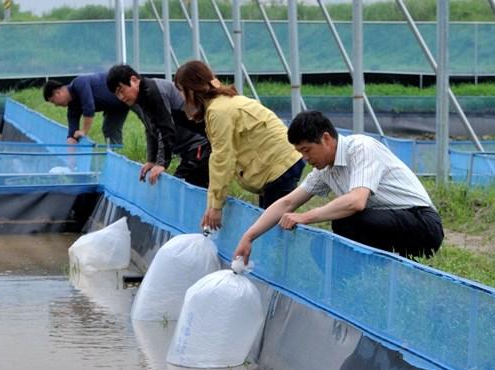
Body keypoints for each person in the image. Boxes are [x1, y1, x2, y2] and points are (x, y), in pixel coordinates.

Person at [233, 110, 444, 266]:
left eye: (307, 150)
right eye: (300, 152)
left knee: (346, 220)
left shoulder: (362, 148)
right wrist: (249, 236)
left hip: (422, 225)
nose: (305, 159)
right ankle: (362, 281)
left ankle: (390, 264)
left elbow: (356, 201)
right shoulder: (325, 169)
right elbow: (288, 202)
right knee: (323, 246)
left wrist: (306, 216)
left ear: (326, 139)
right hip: (388, 222)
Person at [172, 60, 304, 231]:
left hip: (279, 167)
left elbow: (222, 159)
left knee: (271, 229)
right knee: (268, 224)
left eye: (181, 90)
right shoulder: (222, 103)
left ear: (191, 89)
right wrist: (211, 204)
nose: (181, 97)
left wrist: (216, 207)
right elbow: (219, 158)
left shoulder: (219, 112)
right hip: (279, 165)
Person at [105, 64, 211, 188]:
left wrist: (161, 163)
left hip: (200, 145)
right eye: (116, 95)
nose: (121, 97)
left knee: (182, 187)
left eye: (121, 90)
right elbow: (151, 129)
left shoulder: (153, 91)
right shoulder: (141, 97)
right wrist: (151, 160)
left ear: (134, 80)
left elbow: (166, 129)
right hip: (189, 150)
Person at [43, 74, 130, 146]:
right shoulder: (73, 108)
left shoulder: (79, 83)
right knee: (110, 130)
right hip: (115, 106)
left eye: (53, 101)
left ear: (58, 93)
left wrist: (84, 131)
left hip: (128, 89)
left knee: (144, 116)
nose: (56, 105)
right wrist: (70, 161)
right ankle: (117, 155)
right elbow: (72, 135)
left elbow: (89, 107)